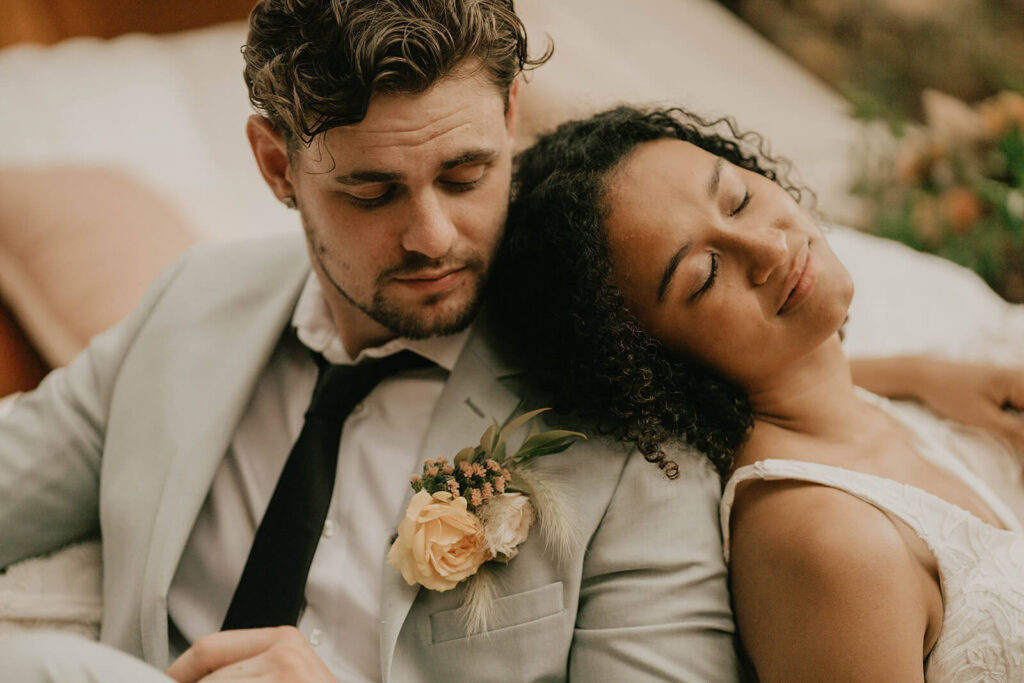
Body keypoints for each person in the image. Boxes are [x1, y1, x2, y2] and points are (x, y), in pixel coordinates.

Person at [0, 2, 1016, 681]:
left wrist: (905, 376)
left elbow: (773, 362)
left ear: (511, 115)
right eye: (371, 191)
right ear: (276, 165)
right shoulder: (192, 301)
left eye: (466, 172)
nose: (434, 236)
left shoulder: (613, 408)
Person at [490, 105, 1024, 681]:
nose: (770, 249)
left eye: (739, 198)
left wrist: (919, 375)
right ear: (651, 365)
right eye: (706, 276)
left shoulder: (860, 405)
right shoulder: (827, 543)